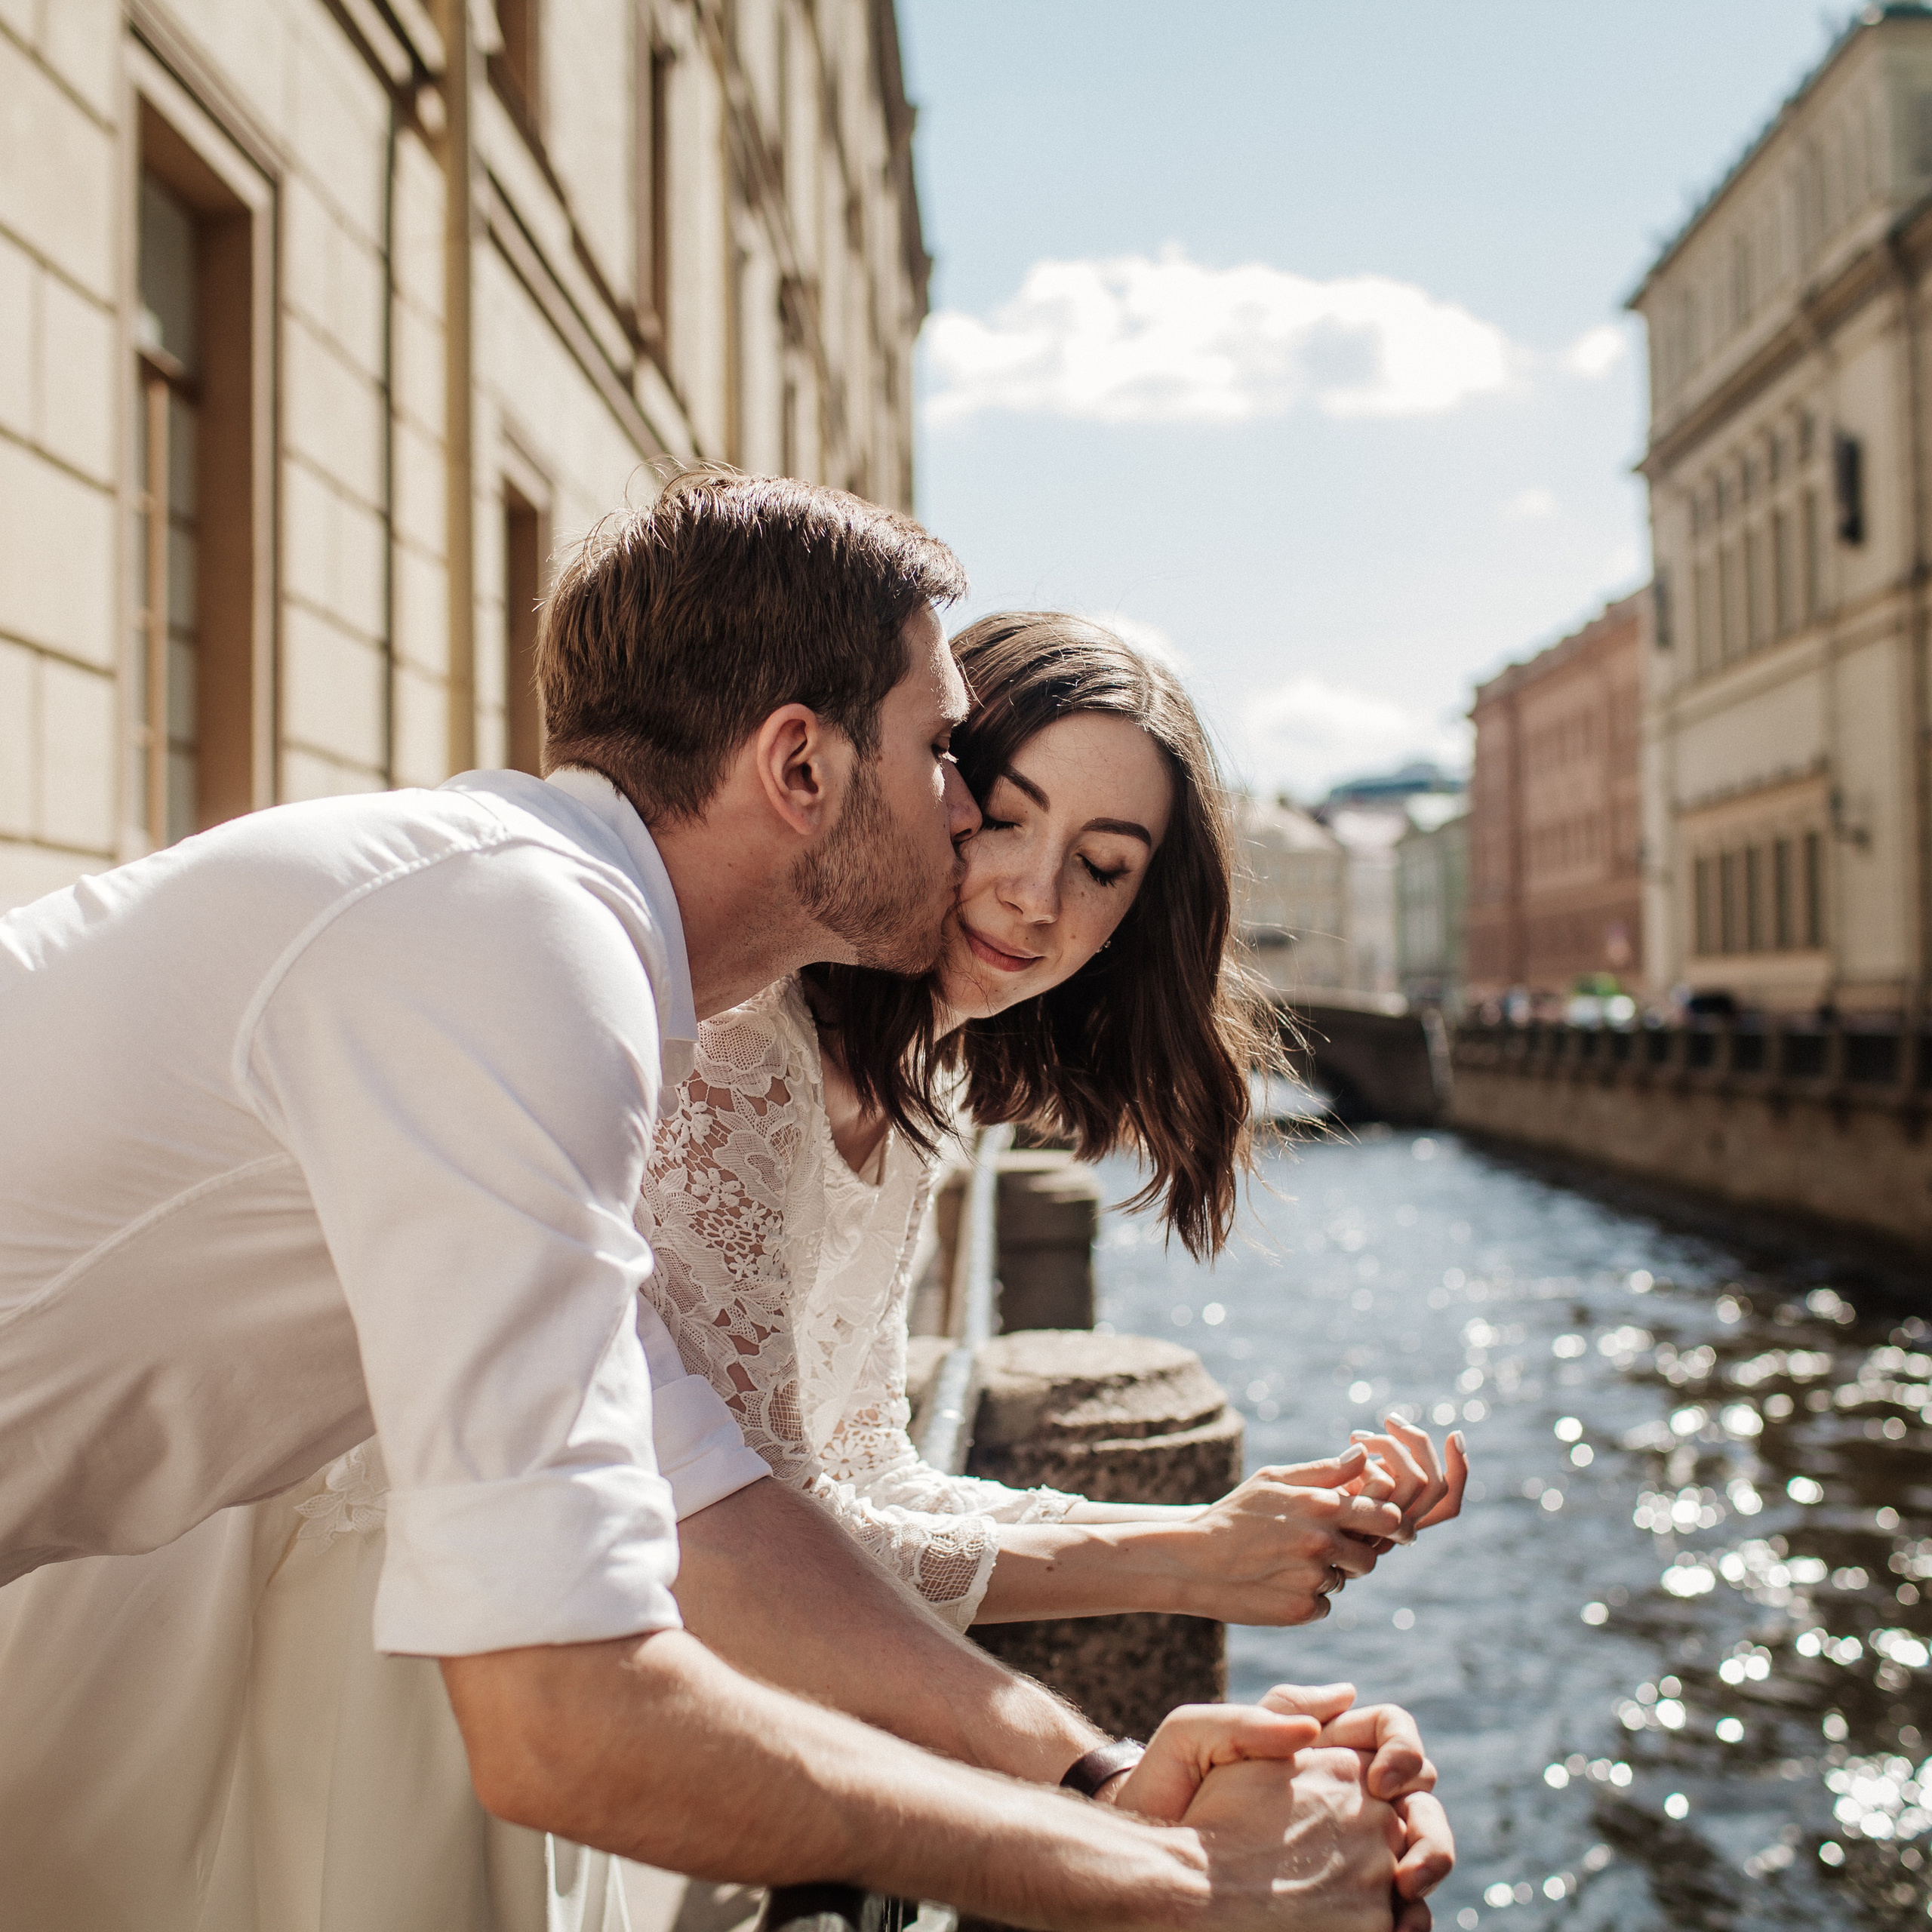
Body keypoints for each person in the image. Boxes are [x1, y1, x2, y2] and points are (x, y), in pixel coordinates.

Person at [0, 472, 1451, 1931]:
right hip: (262, 1672)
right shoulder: (521, 950)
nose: (977, 833)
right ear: (801, 766)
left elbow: (706, 1492)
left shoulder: (559, 942)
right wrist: (1183, 1877)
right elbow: (569, 1700)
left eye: (1102, 865)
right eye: (947, 756)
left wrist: (1098, 1776)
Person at [641, 611, 1468, 1635]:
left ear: (1136, 914)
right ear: (923, 788)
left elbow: (870, 1476)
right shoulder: (741, 1055)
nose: (1037, 898)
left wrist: (1224, 1533)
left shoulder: (923, 1078)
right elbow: (751, 1542)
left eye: (1102, 866)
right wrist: (1192, 1564)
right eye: (1004, 819)